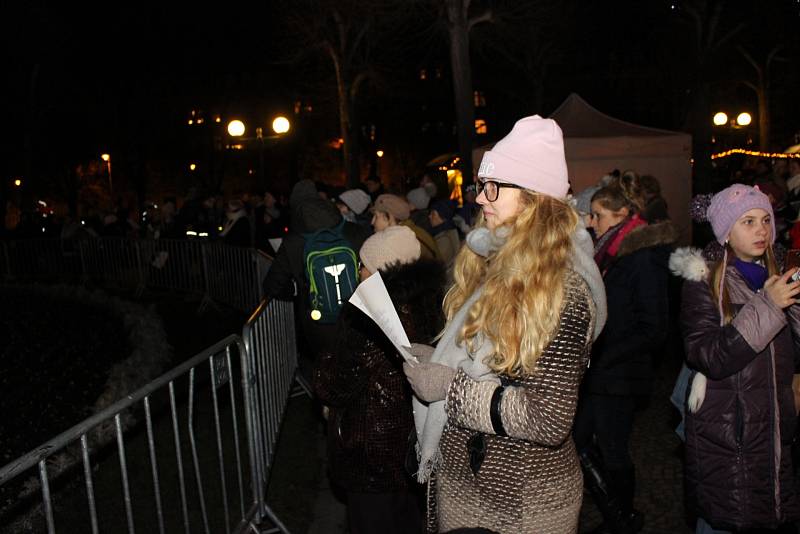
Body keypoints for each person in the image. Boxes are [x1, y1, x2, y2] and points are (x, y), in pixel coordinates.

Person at [403, 115, 606, 533]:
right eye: (482, 186)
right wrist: (438, 360)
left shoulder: (563, 288)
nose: (481, 198)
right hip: (465, 488)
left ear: (534, 197)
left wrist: (447, 387)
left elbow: (548, 419)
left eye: (494, 187)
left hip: (521, 504)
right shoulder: (493, 262)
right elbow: (486, 363)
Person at [670, 183, 800, 533]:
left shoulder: (777, 277)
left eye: (765, 220)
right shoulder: (705, 282)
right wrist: (769, 306)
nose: (761, 230)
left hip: (773, 433)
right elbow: (708, 355)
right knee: (728, 518)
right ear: (726, 232)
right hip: (729, 437)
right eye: (748, 221)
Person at [313, 225, 446, 534]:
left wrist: (326, 360)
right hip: (411, 445)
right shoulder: (428, 305)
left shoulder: (371, 320)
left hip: (371, 451)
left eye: (364, 265)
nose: (359, 270)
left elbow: (333, 383)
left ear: (379, 272)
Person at [573, 173, 678, 533]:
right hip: (603, 371)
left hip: (620, 373)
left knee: (613, 448)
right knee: (580, 440)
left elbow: (654, 328)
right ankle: (618, 513)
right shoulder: (613, 251)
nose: (591, 222)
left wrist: (604, 355)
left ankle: (622, 516)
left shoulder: (642, 257)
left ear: (621, 216)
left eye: (598, 215)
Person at [263, 179, 371, 364]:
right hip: (357, 317)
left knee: (327, 373)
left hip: (317, 323)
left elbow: (272, 285)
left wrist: (297, 290)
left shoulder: (293, 242)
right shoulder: (355, 231)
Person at [371, 193, 443, 262]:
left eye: (376, 216)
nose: (372, 222)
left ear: (389, 218)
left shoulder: (402, 241)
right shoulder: (411, 231)